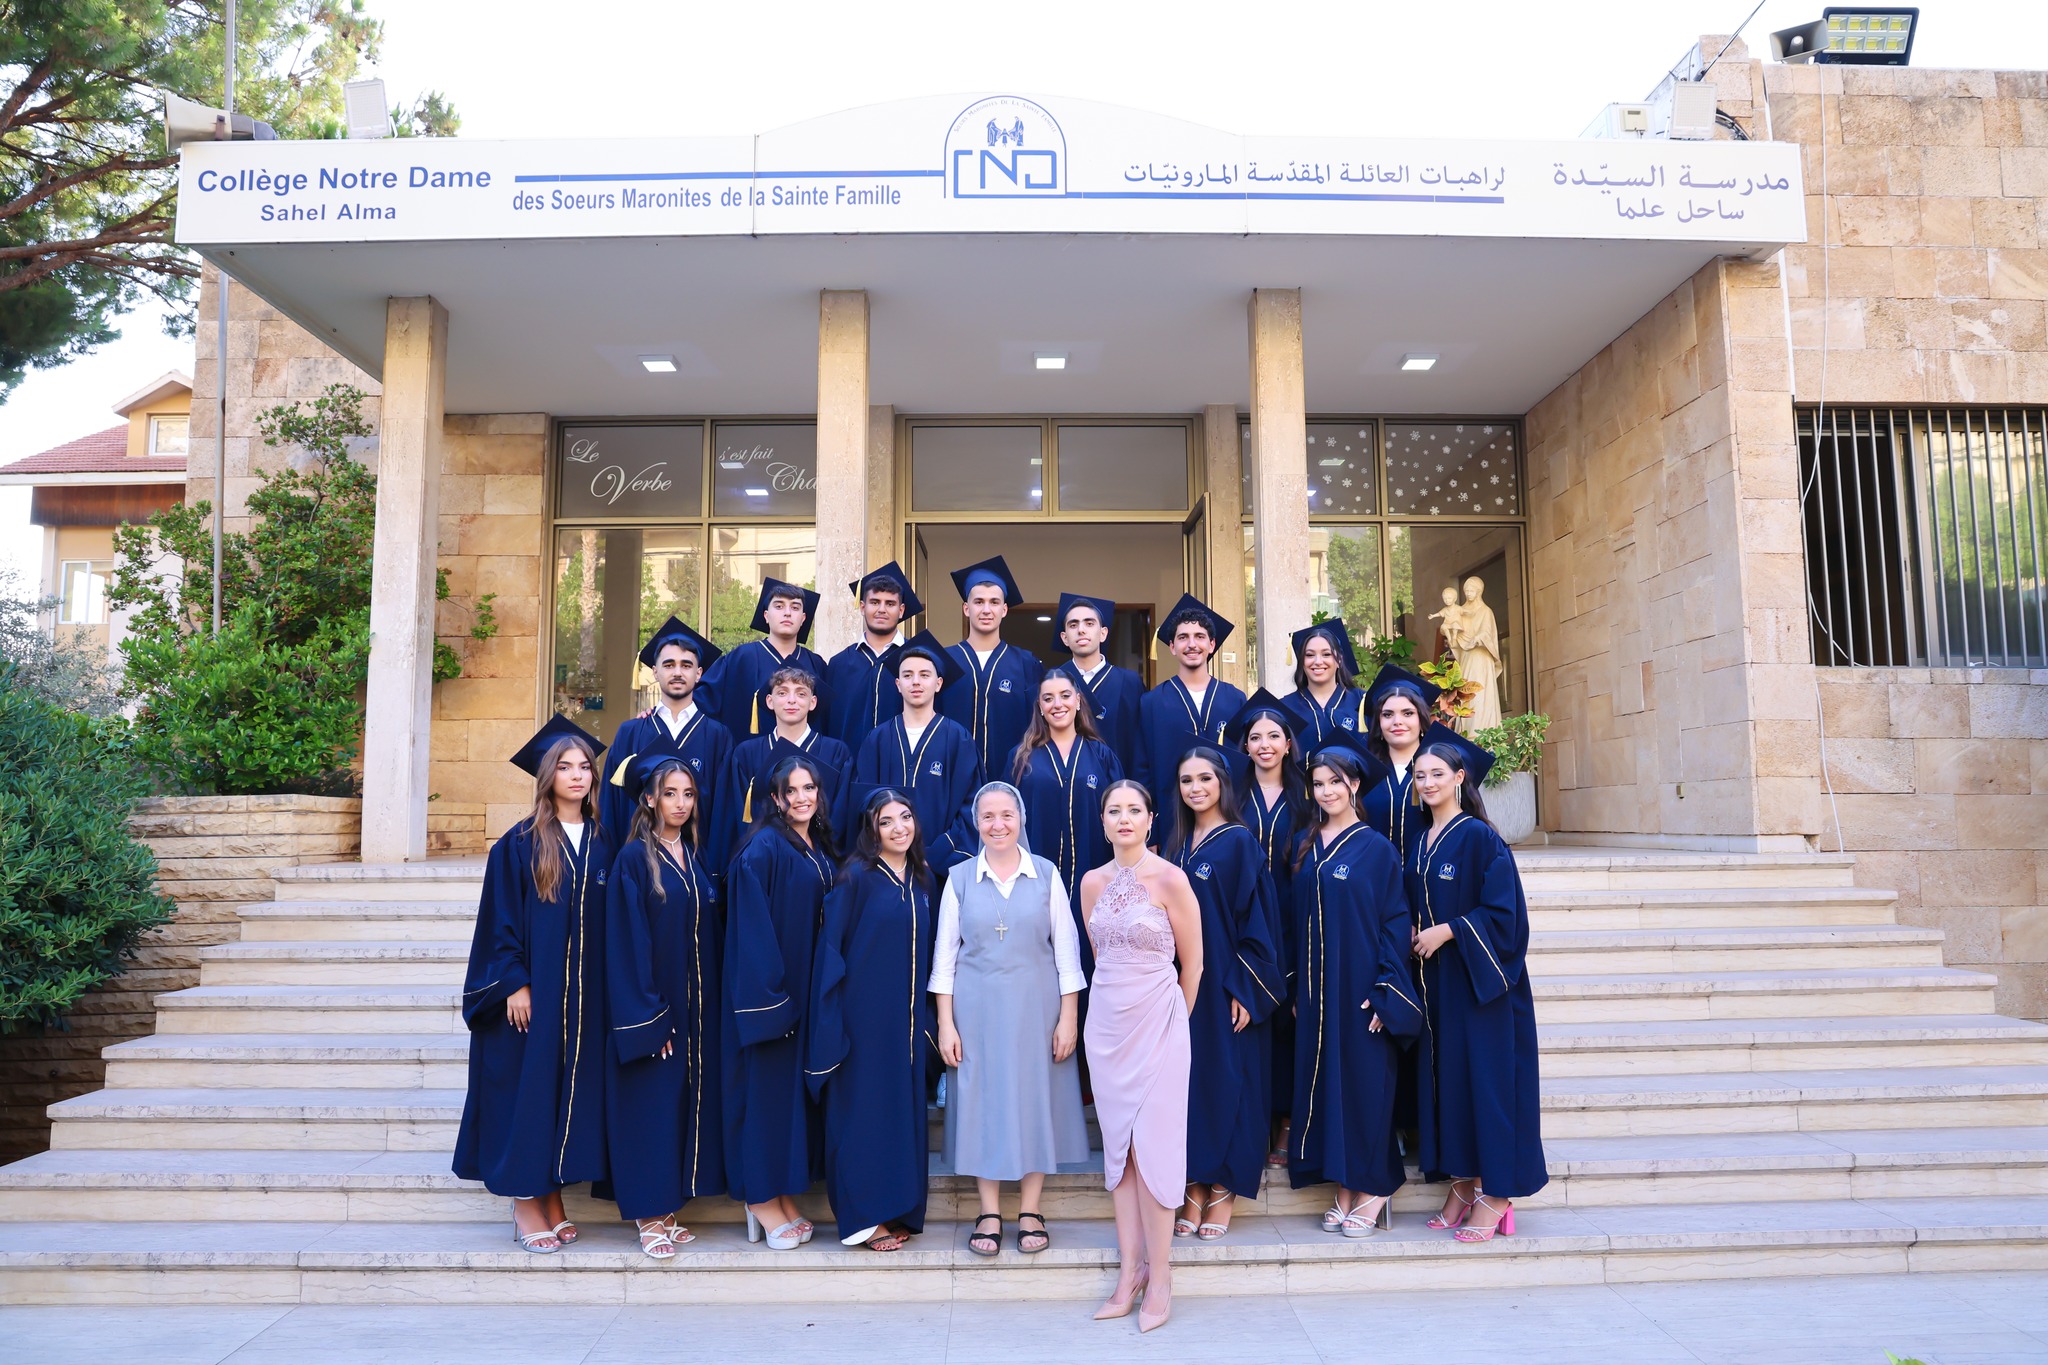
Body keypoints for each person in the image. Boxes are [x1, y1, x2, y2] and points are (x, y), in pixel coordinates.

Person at [454, 715, 614, 1254]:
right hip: (533, 998)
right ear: (547, 776)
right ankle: (525, 1202)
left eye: (584, 766)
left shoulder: (604, 841)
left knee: (563, 1097)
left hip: (584, 999)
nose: (577, 775)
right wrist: (514, 983)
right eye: (565, 767)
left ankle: (552, 1198)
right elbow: (498, 921)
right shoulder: (518, 844)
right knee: (529, 1097)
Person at [931, 782, 1089, 1259]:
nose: (998, 825)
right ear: (976, 823)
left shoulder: (1046, 874)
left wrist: (1068, 1019)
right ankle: (988, 1211)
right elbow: (944, 961)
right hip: (975, 1013)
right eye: (988, 816)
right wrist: (945, 1024)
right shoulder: (960, 878)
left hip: (1037, 1010)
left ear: (1021, 819)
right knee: (982, 1104)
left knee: (1035, 1100)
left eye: (1007, 815)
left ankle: (1031, 1209)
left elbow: (1067, 955)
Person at [1407, 740, 1547, 1241]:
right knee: (1453, 1085)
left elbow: (1507, 917)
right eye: (1420, 775)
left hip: (1483, 985)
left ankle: (1498, 1192)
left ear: (1460, 777)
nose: (1427, 783)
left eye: (1437, 774)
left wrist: (1449, 931)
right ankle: (1464, 1183)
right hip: (1441, 985)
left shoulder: (1481, 838)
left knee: (1489, 1089)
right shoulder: (1421, 839)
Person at [1081, 778, 1202, 1333]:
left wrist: (1176, 1019)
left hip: (1161, 1023)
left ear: (1151, 819)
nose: (1124, 818)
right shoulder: (1091, 882)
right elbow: (1099, 954)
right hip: (1107, 1027)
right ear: (1103, 821)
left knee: (1156, 1148)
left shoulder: (1171, 878)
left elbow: (1193, 964)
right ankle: (1129, 1271)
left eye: (1134, 809)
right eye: (1114, 810)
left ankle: (1161, 1277)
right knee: (1121, 1153)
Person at [1287, 732, 1419, 1239]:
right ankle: (1344, 1186)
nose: (1325, 792)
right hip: (1316, 991)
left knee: (1365, 1087)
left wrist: (1388, 988)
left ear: (1354, 785)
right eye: (1318, 784)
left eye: (1335, 783)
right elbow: (1292, 921)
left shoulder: (1376, 848)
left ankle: (1377, 1185)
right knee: (1327, 1087)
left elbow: (1394, 922)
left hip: (1362, 987)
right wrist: (1296, 986)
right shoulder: (1305, 845)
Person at [602, 752, 722, 1259]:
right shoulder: (634, 858)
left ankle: (668, 1208)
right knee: (649, 1109)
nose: (680, 803)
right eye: (670, 793)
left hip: (695, 1007)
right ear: (649, 798)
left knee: (678, 1106)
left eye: (688, 794)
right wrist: (648, 1017)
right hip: (654, 1007)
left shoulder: (693, 853)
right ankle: (648, 1214)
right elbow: (627, 942)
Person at [806, 788, 937, 1252]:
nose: (899, 828)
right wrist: (834, 1024)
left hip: (905, 1025)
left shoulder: (922, 878)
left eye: (905, 817)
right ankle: (863, 1219)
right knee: (862, 1116)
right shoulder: (855, 878)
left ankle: (897, 1209)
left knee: (900, 1117)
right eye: (886, 821)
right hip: (861, 1024)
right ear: (871, 829)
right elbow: (831, 954)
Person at [1164, 746, 1284, 1242]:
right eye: (1186, 780)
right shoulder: (1174, 845)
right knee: (1189, 1086)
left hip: (1227, 985)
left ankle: (1225, 1188)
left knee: (1231, 1082)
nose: (1195, 788)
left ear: (1222, 784)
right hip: (1179, 986)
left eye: (1205, 779)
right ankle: (1193, 1183)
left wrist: (1246, 987)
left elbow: (1259, 921)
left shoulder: (1239, 842)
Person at [722, 753, 838, 1250]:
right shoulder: (763, 847)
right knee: (765, 1098)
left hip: (805, 991)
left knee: (788, 1101)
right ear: (774, 798)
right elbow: (751, 931)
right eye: (791, 790)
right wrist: (770, 1001)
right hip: (771, 998)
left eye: (809, 788)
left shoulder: (817, 844)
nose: (801, 798)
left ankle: (783, 1195)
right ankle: (761, 1199)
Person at [1225, 690, 1309, 1166]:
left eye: (1274, 736)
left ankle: (1289, 1120)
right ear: (1245, 745)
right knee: (1253, 1019)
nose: (1264, 745)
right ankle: (1256, 1120)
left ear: (1288, 743)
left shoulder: (1306, 795)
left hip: (1295, 917)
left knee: (1290, 1019)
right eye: (1255, 738)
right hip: (1247, 919)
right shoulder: (1233, 796)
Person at [1004, 666, 1124, 937]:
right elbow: (1005, 817)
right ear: (1040, 706)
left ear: (1078, 700)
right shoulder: (1020, 758)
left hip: (1093, 871)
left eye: (1065, 696)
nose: (1057, 704)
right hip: (1034, 876)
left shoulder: (1101, 755)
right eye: (1048, 698)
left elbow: (1120, 815)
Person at [853, 630, 980, 877]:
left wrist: (935, 855)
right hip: (885, 868)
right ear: (898, 685)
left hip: (941, 869)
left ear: (938, 683)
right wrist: (887, 852)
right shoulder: (877, 740)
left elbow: (970, 806)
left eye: (924, 675)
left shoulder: (958, 739)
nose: (916, 682)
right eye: (908, 675)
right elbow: (864, 804)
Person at [598, 617, 732, 842]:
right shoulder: (630, 733)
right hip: (639, 854)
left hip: (696, 856)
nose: (677, 672)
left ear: (699, 673)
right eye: (669, 665)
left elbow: (724, 812)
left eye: (686, 665)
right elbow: (611, 805)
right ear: (655, 671)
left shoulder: (718, 736)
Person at [717, 666, 852, 860]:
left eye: (801, 693)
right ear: (769, 701)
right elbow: (737, 818)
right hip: (763, 860)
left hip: (819, 860)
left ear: (813, 702)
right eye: (782, 693)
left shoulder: (837, 753)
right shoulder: (746, 754)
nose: (791, 700)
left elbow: (840, 817)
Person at [1133, 594, 1246, 820]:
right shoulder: (1152, 702)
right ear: (1172, 647)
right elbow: (1142, 768)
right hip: (1171, 817)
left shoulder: (1235, 699)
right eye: (1183, 637)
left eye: (1200, 637)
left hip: (1226, 816)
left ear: (1212, 645)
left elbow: (1244, 762)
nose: (1192, 644)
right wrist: (1150, 824)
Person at [940, 556, 1043, 779]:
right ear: (966, 609)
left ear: (1004, 609)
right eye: (979, 602)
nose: (986, 610)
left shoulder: (1026, 664)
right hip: (951, 777)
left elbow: (1037, 727)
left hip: (1013, 778)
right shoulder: (944, 661)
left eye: (994, 602)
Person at [701, 578, 829, 739]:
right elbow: (703, 704)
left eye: (795, 607)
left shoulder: (816, 665)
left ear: (803, 619)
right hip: (747, 753)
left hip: (805, 754)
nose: (787, 612)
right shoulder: (740, 659)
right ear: (766, 616)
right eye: (779, 606)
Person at [825, 562, 921, 750]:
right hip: (850, 764)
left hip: (903, 764)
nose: (882, 609)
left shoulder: (919, 659)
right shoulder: (839, 664)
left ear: (901, 610)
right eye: (875, 602)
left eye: (890, 604)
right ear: (862, 607)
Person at [1360, 663, 1453, 851]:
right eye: (1388, 715)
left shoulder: (1445, 769)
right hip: (1374, 868)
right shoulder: (1363, 772)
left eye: (1408, 713)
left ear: (1421, 718)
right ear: (1378, 722)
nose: (1397, 722)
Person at [1054, 591, 1143, 776]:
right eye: (1073, 625)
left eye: (1089, 623)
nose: (1081, 630)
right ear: (1064, 637)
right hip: (1065, 781)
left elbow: (1138, 744)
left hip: (1116, 782)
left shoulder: (1129, 682)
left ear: (1103, 633)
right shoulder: (1052, 682)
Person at [1279, 619, 1369, 748]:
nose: (1318, 661)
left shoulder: (1362, 703)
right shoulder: (1285, 707)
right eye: (1309, 655)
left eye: (1326, 654)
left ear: (1339, 660)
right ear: (1302, 662)